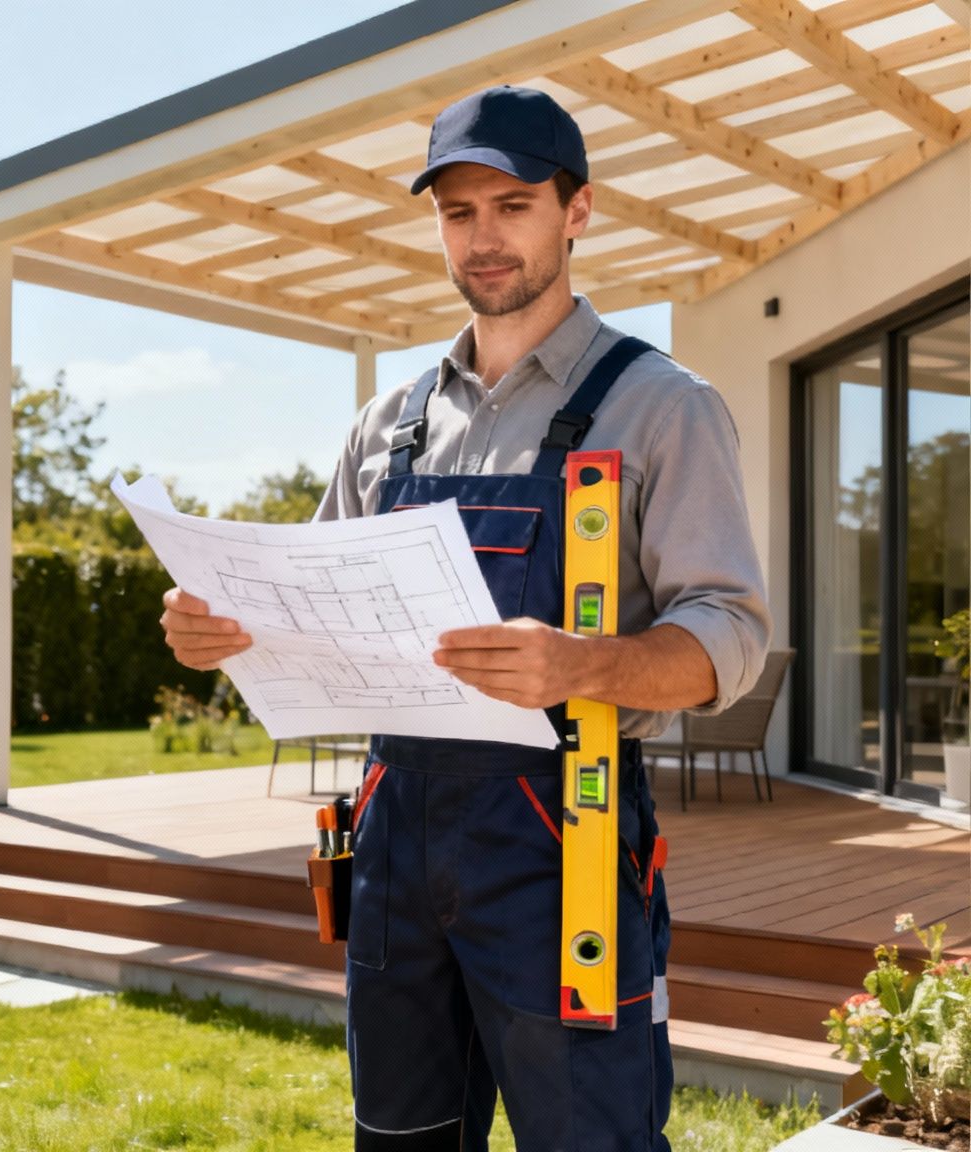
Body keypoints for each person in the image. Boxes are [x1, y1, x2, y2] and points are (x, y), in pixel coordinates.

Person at [160, 86, 770, 1150]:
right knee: (401, 1135)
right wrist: (226, 629)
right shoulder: (387, 426)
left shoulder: (660, 405)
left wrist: (581, 664)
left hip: (560, 839)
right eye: (456, 212)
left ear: (575, 211)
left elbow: (728, 634)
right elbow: (312, 602)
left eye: (512, 206)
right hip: (394, 840)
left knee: (587, 1136)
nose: (481, 239)